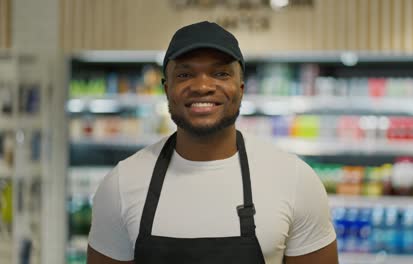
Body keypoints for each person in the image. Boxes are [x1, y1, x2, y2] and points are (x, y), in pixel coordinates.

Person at [87, 21, 338, 264]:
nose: (203, 86)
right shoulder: (120, 185)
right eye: (185, 74)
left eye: (220, 73)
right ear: (166, 88)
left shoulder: (295, 180)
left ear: (240, 88)